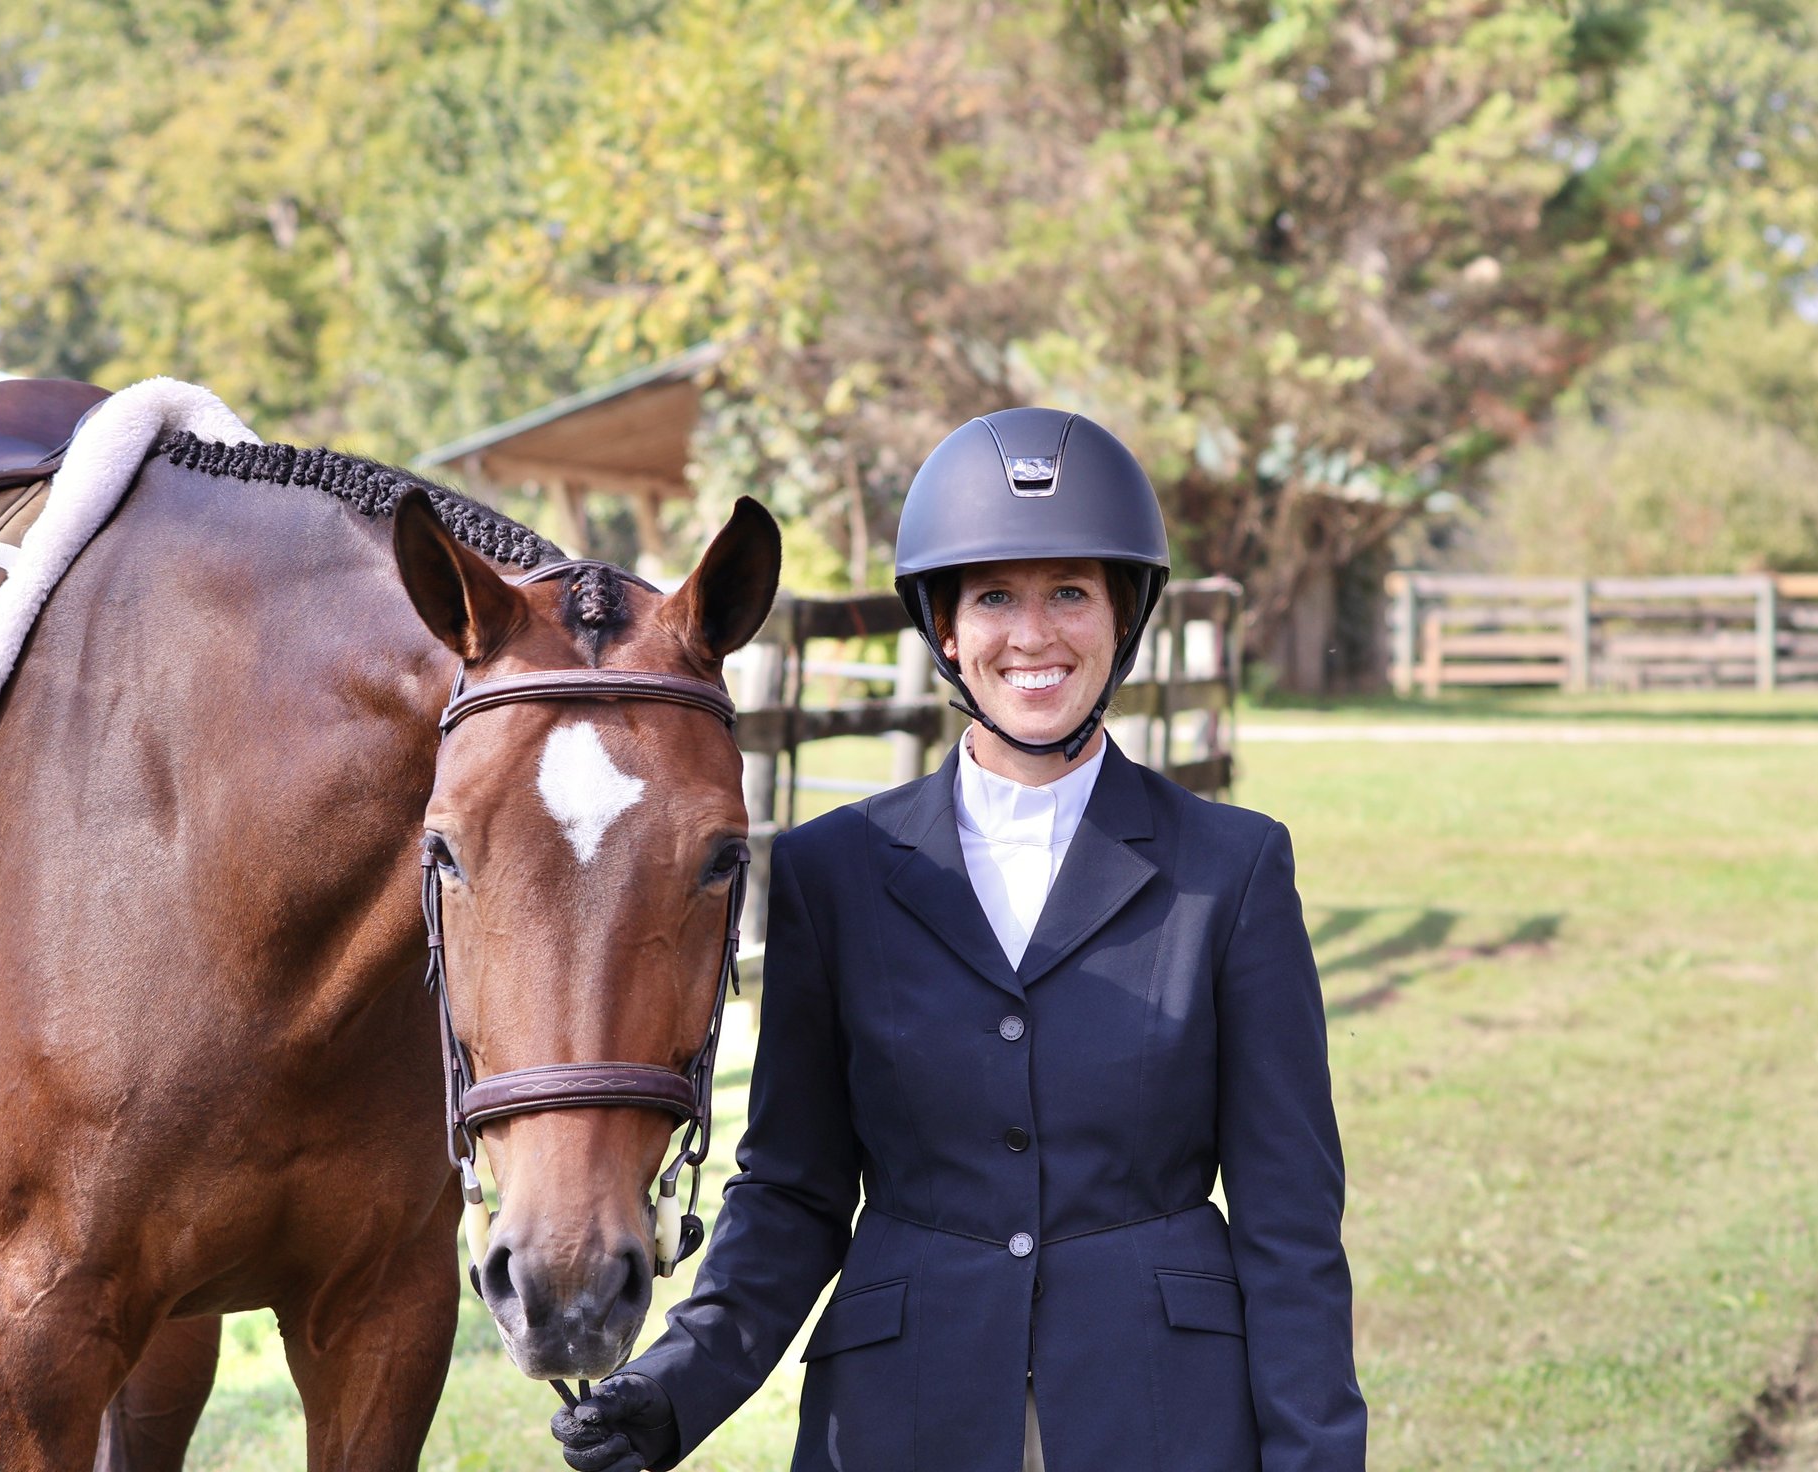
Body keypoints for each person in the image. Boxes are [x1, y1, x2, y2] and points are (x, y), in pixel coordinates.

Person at [551, 409, 1366, 1472]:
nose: (1032, 636)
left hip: (1161, 1411)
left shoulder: (1233, 869)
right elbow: (795, 1190)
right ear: (943, 627)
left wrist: (1316, 1456)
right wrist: (674, 1389)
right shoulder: (831, 873)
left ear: (1124, 615)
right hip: (903, 1410)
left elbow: (1288, 1221)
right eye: (993, 596)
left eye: (1069, 592)